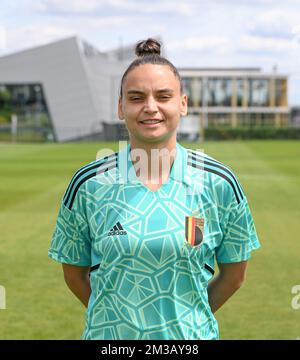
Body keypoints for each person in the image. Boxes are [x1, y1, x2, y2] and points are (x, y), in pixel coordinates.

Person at [48, 38, 260, 340]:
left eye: (163, 96)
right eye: (136, 98)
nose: (151, 108)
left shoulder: (220, 183)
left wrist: (187, 321)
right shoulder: (88, 184)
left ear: (182, 104)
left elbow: (234, 277)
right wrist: (115, 319)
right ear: (121, 107)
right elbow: (74, 274)